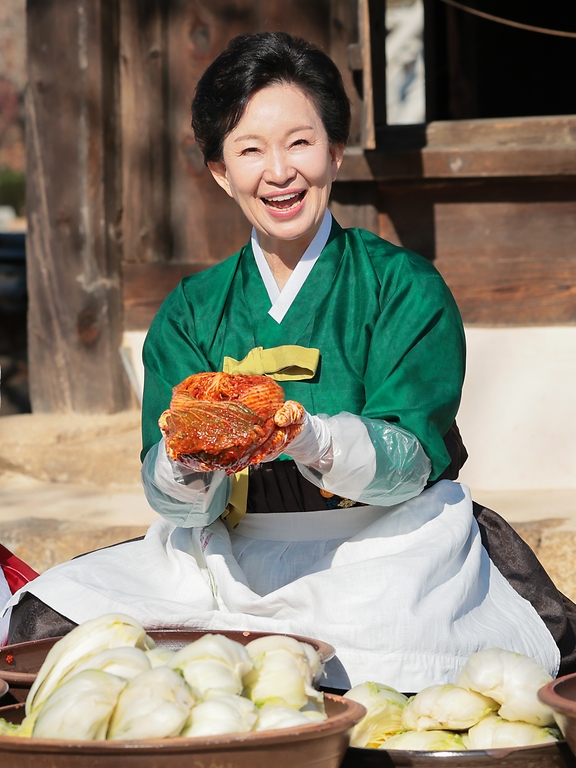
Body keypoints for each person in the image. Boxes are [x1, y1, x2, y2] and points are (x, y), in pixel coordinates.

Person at [5, 32, 576, 692]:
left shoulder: (403, 288)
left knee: (382, 661)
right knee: (52, 618)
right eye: (250, 150)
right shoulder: (191, 311)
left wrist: (311, 437)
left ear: (335, 152)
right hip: (227, 555)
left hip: (385, 550)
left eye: (300, 143)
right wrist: (187, 462)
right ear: (220, 171)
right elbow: (182, 509)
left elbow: (408, 465)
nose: (279, 172)